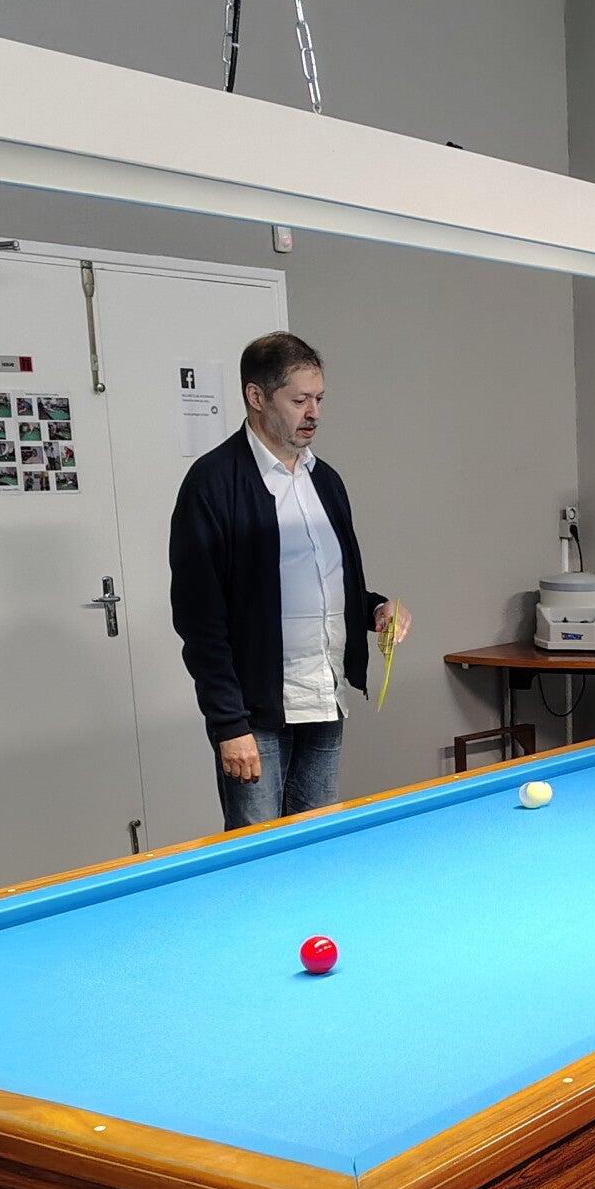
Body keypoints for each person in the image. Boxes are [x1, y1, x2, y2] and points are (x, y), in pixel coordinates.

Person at [169, 331, 410, 830]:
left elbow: (329, 586)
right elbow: (200, 620)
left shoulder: (326, 481)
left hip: (324, 698)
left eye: (319, 399)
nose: (314, 413)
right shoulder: (212, 484)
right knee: (259, 853)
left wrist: (375, 608)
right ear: (256, 397)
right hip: (254, 715)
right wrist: (228, 724)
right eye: (299, 400)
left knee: (317, 844)